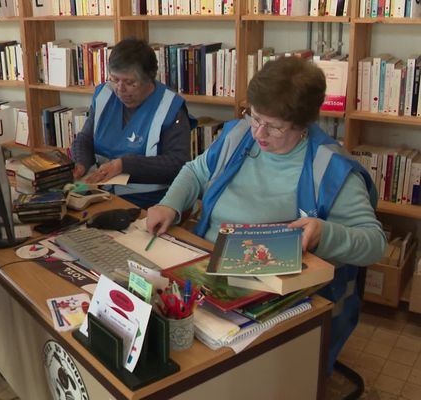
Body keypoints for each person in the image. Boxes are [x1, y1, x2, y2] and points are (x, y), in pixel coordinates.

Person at [147, 56, 386, 372]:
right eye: (254, 117)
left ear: (303, 125)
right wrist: (170, 204)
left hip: (266, 289)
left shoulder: (331, 168)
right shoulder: (239, 134)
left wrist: (324, 233)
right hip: (204, 264)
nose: (259, 133)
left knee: (198, 362)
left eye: (274, 126)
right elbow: (195, 171)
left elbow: (375, 243)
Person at [71, 37, 196, 209]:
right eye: (115, 79)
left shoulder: (170, 107)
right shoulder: (104, 95)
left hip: (150, 203)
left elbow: (178, 164)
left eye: (130, 83)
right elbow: (85, 138)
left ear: (149, 79)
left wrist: (125, 165)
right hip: (100, 194)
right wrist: (81, 163)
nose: (120, 89)